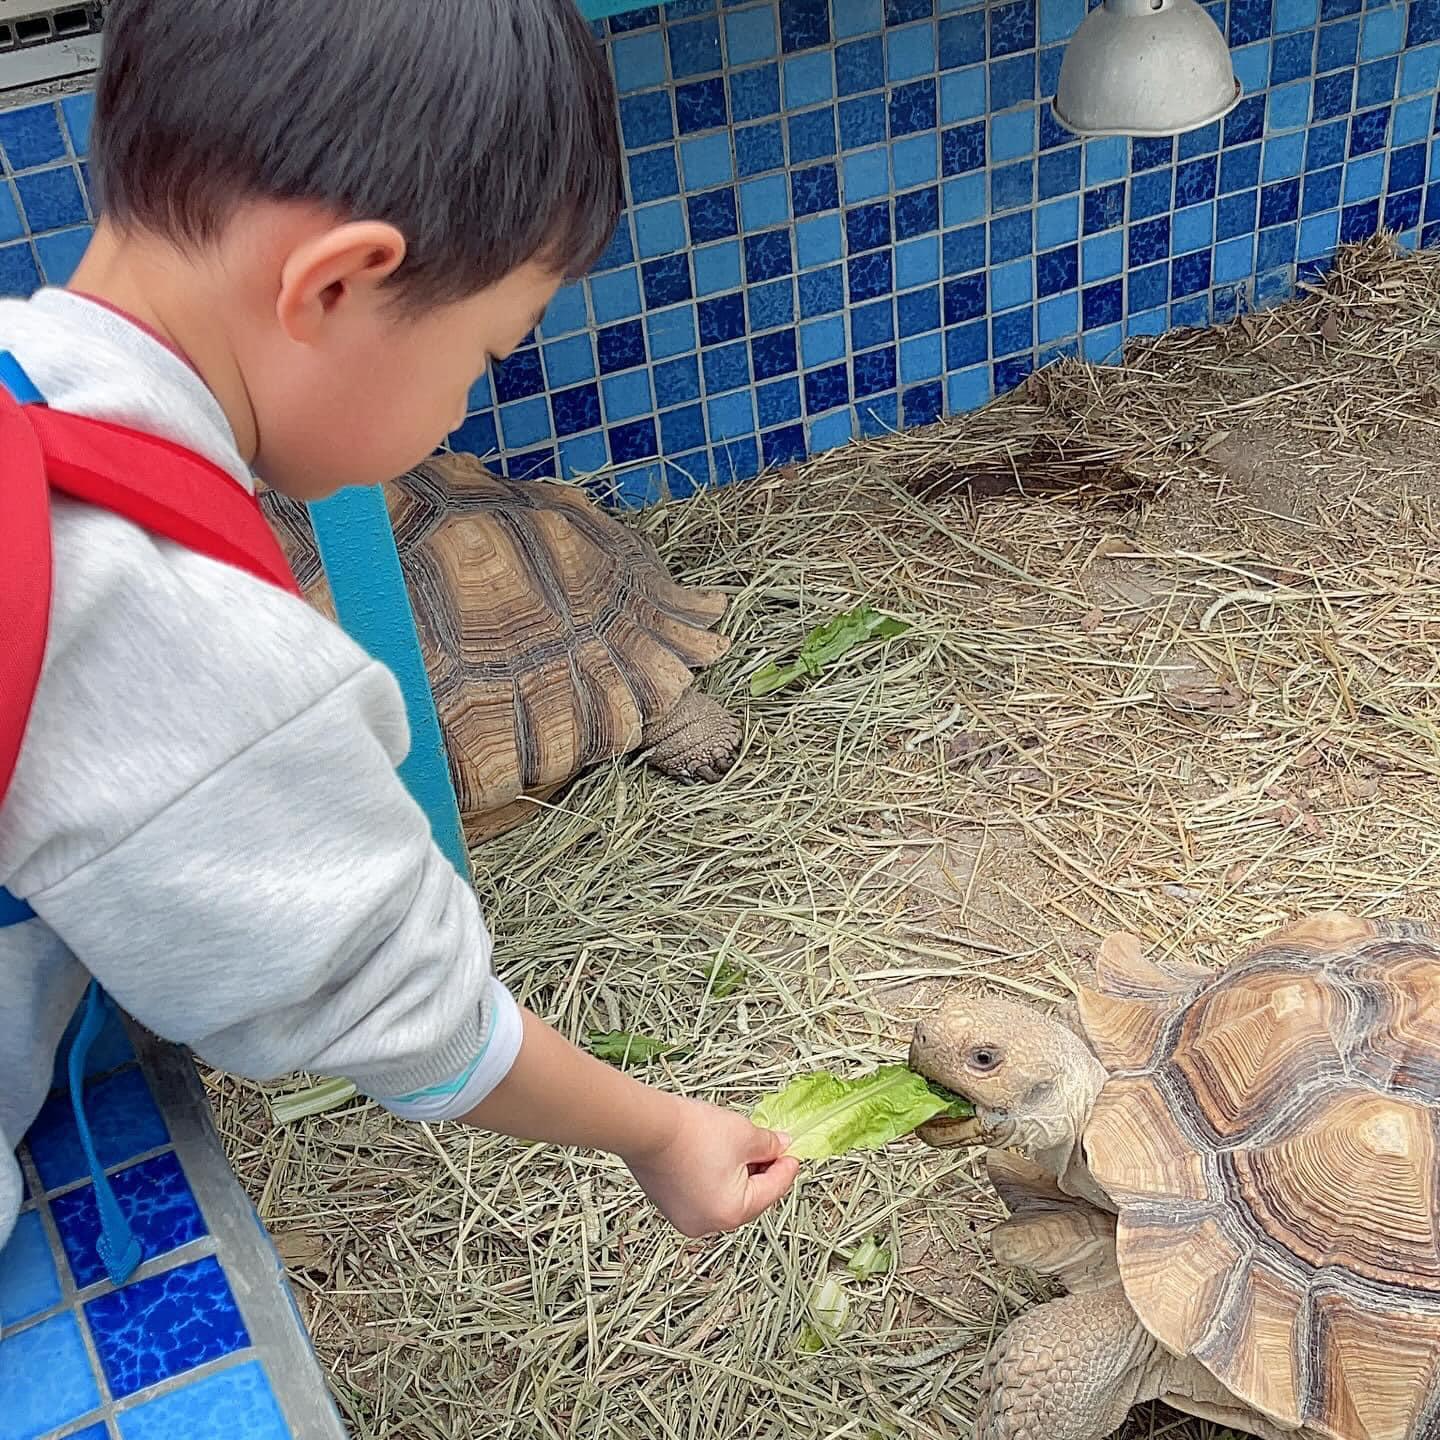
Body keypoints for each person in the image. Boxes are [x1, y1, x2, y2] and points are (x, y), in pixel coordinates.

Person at [0, 0, 799, 1251]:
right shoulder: (174, 623)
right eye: (484, 354)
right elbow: (406, 1008)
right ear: (335, 285)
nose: (463, 405)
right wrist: (661, 1130)